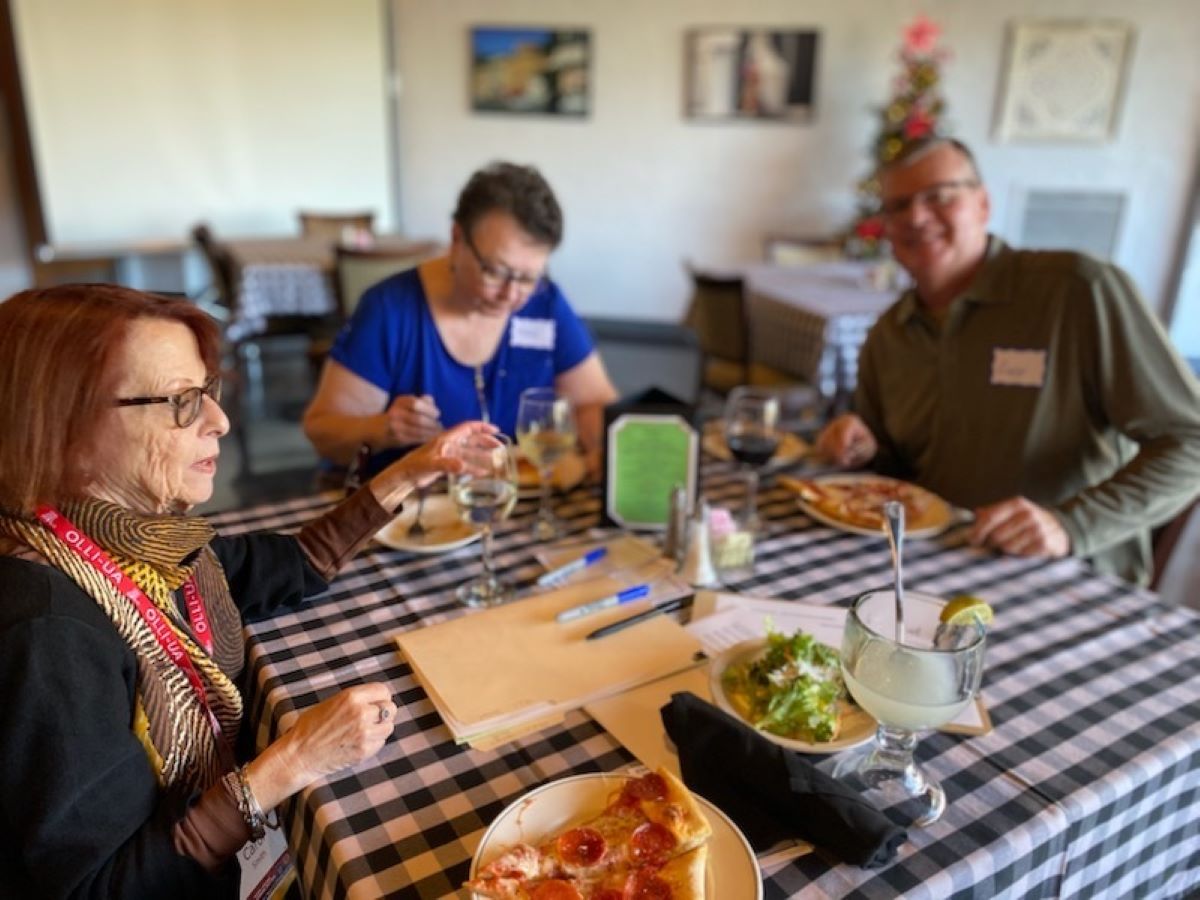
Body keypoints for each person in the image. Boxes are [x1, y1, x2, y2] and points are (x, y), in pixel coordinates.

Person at [0, 285, 497, 897]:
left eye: (207, 392)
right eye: (183, 402)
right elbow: (102, 886)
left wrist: (410, 473)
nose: (221, 420)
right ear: (60, 429)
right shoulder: (49, 631)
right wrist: (293, 762)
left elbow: (290, 563)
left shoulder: (137, 541)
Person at [817, 137, 1200, 584]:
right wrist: (859, 446)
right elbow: (894, 465)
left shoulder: (1077, 291)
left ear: (982, 204)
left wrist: (1070, 525)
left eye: (939, 196)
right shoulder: (890, 334)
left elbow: (1189, 441)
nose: (917, 218)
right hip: (931, 571)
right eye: (898, 206)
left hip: (1065, 578)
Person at [303, 161, 618, 479]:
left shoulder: (545, 303)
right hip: (411, 513)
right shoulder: (391, 309)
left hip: (513, 499)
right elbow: (323, 432)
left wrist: (602, 452)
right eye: (496, 271)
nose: (512, 294)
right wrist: (384, 428)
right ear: (457, 238)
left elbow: (591, 403)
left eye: (528, 277)